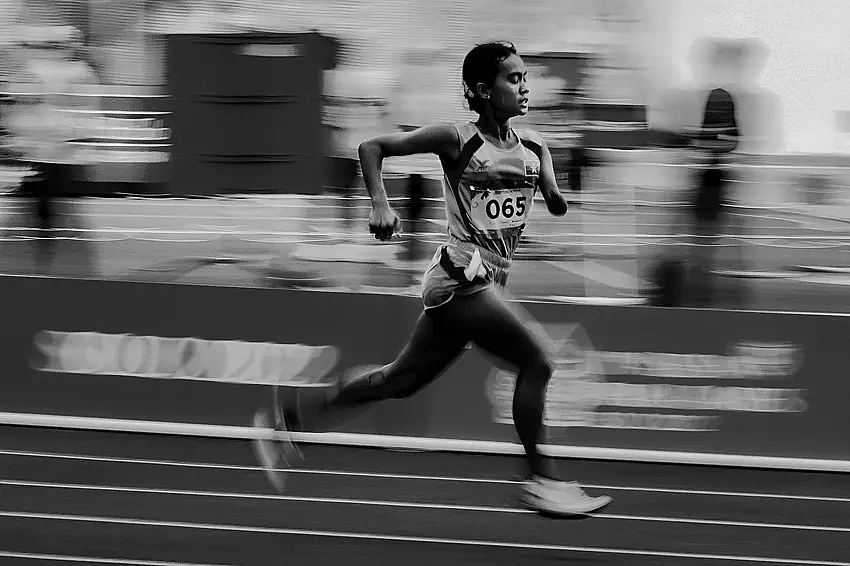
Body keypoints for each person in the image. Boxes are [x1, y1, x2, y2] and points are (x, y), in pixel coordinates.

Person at [253, 41, 612, 517]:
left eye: (526, 77)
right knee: (538, 361)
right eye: (513, 78)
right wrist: (381, 204)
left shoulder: (535, 146)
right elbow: (372, 148)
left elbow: (551, 195)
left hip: (489, 281)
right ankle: (542, 480)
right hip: (461, 276)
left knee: (398, 381)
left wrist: (554, 190)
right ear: (483, 91)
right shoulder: (456, 139)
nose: (525, 86)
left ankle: (288, 418)